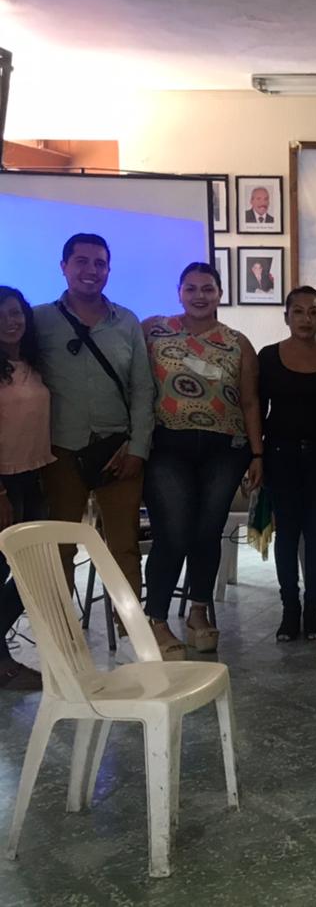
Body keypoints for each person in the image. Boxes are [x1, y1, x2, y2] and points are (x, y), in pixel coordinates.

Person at [141, 263, 263, 658]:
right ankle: (156, 620)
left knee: (208, 531)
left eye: (207, 288)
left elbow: (250, 401)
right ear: (179, 292)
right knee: (173, 532)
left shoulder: (238, 343)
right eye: (191, 288)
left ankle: (198, 613)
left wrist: (257, 453)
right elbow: (135, 386)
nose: (199, 295)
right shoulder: (154, 330)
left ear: (219, 294)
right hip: (167, 446)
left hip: (225, 449)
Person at [34, 233, 155, 618]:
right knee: (59, 546)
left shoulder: (127, 321)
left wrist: (138, 448)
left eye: (100, 263)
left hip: (118, 452)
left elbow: (142, 388)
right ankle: (61, 635)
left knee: (124, 546)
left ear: (108, 269)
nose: (91, 270)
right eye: (81, 261)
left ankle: (132, 631)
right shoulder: (39, 320)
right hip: (59, 452)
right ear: (63, 267)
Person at [259, 286, 316, 642]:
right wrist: (256, 456)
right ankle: (289, 609)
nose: (306, 319)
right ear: (287, 317)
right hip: (281, 454)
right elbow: (256, 409)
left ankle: (313, 609)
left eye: (314, 312)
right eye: (298, 311)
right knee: (287, 533)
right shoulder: (268, 357)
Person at [0, 287, 54, 690]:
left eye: (15, 312)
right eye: (1, 316)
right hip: (3, 483)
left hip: (34, 476)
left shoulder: (34, 364)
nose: (10, 321)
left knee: (34, 570)